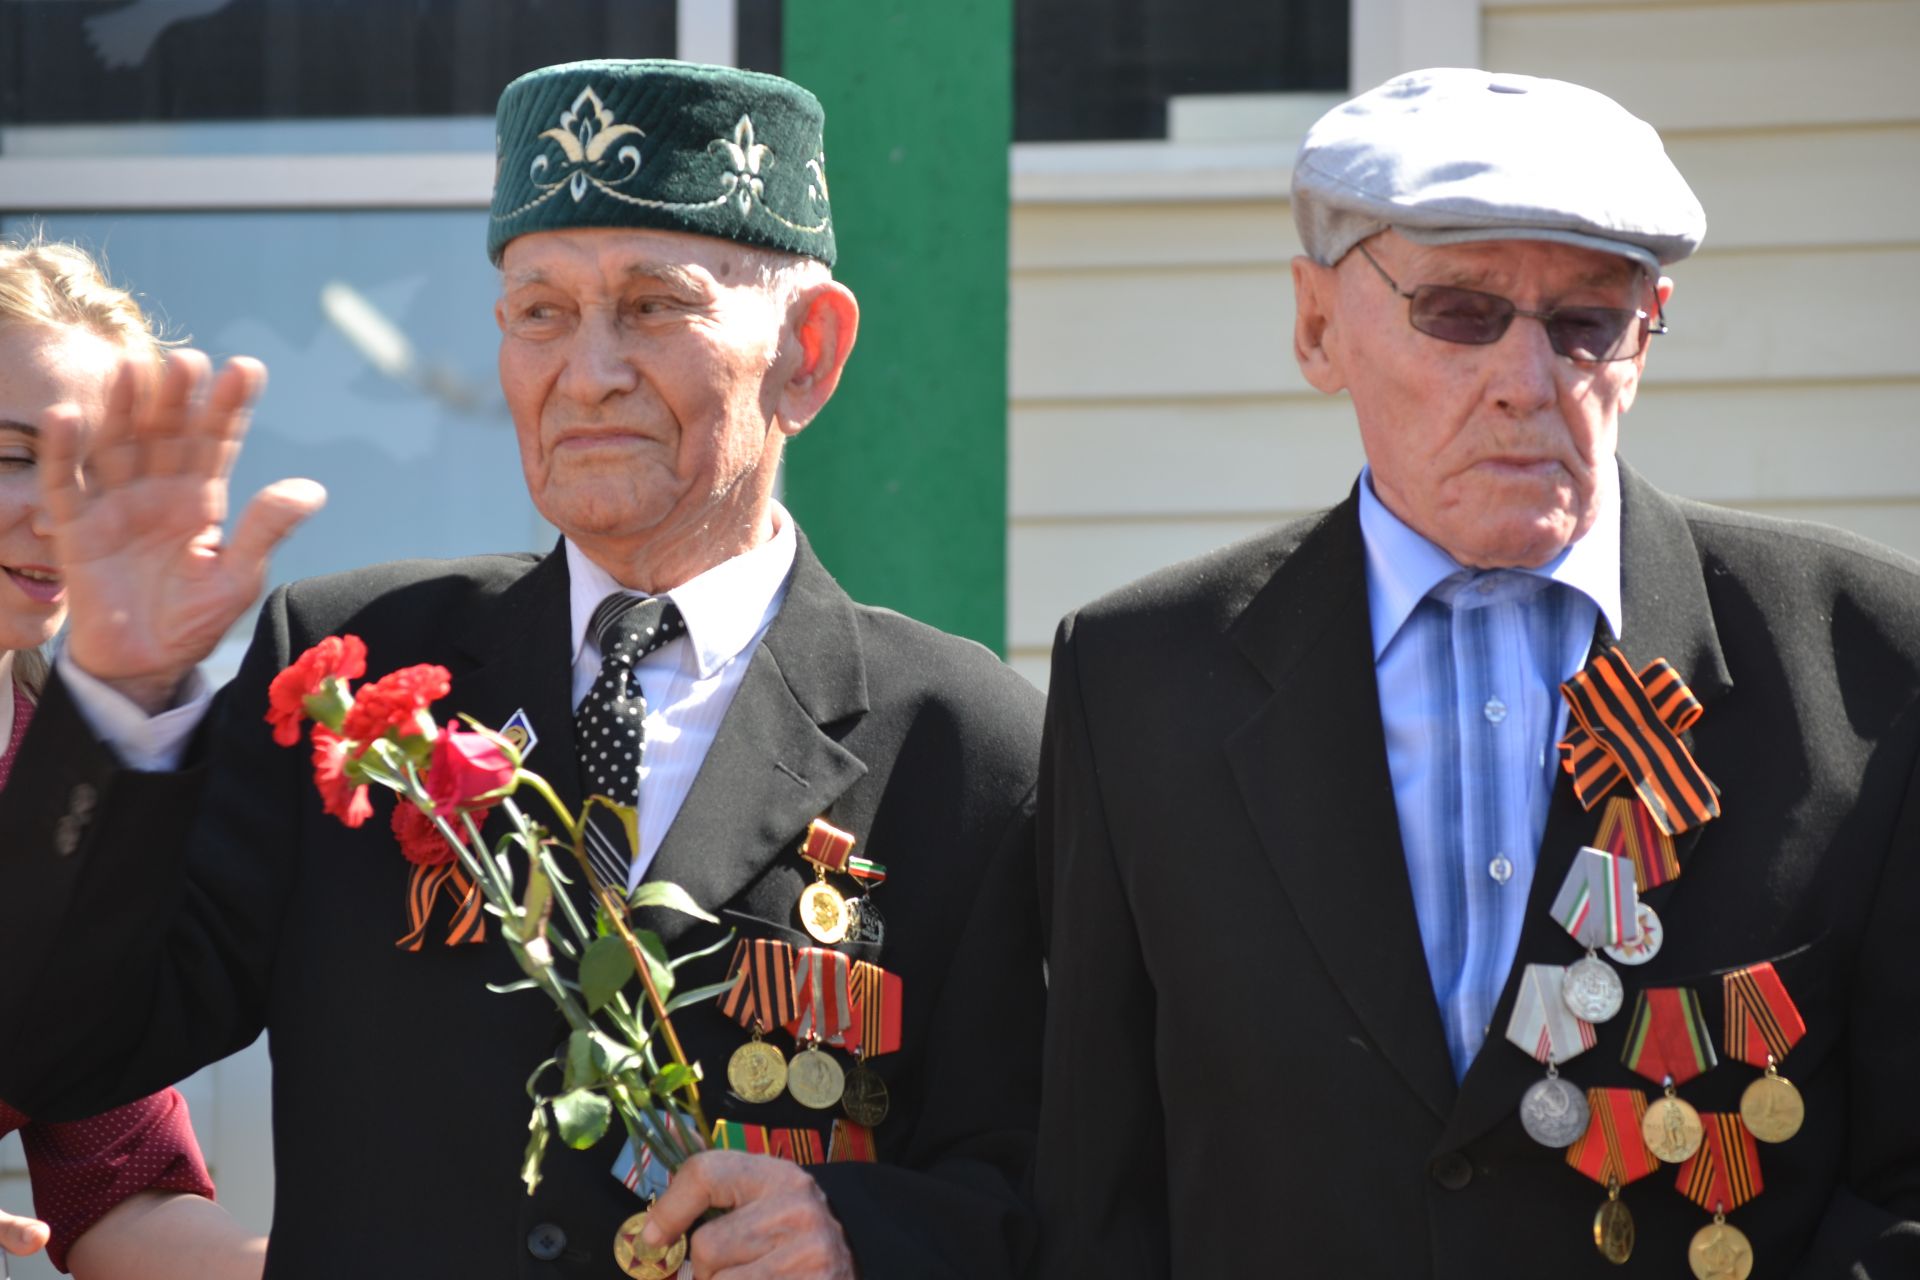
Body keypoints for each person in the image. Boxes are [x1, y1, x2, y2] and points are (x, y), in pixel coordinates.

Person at [0, 62, 1044, 1278]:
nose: (586, 371)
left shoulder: (967, 745)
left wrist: (864, 1234)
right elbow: (62, 1052)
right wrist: (117, 693)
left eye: (654, 305)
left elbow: (1054, 1189)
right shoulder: (351, 666)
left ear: (807, 353)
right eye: (540, 311)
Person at [1033, 68, 1920, 1279]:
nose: (1528, 378)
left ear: (1647, 331)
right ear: (1316, 325)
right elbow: (1096, 1198)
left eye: (1584, 323)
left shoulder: (1868, 663)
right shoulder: (1139, 681)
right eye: (1460, 311)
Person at [0, 238, 267, 1278]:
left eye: (94, 473)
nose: (60, 512)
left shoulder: (59, 767)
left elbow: (117, 1183)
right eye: (12, 455)